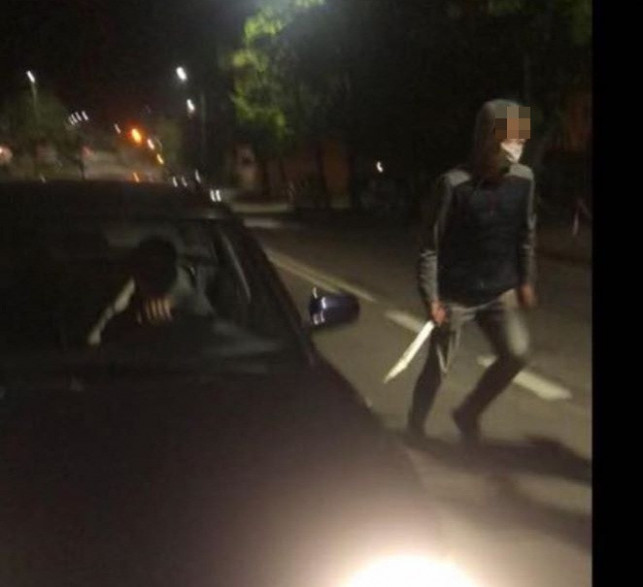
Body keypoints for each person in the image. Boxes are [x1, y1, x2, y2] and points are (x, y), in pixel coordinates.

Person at [407, 99, 537, 443]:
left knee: (517, 354)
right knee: (438, 367)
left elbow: (526, 233)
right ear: (487, 139)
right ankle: (414, 427)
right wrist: (431, 298)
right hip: (456, 294)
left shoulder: (524, 180)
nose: (516, 147)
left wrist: (526, 279)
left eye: (521, 139)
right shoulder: (453, 185)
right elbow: (429, 247)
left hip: (499, 290)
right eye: (509, 138)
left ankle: (468, 413)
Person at [88, 236, 213, 345]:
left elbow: (208, 336)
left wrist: (171, 326)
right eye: (145, 270)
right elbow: (100, 340)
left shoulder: (193, 304)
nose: (150, 276)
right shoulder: (126, 298)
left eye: (159, 270)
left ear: (171, 271)